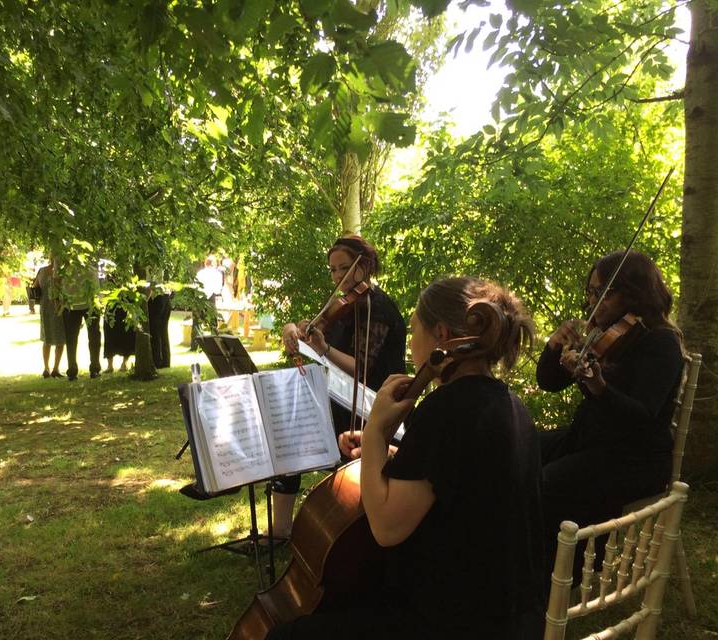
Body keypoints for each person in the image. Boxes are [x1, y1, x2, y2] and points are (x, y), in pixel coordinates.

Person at [267, 277, 543, 640]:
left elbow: (385, 528)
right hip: (511, 614)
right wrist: (390, 453)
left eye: (415, 331)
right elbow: (455, 476)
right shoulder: (510, 405)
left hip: (453, 621)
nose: (411, 342)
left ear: (440, 335)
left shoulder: (447, 408)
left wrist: (379, 432)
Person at [537, 251, 683, 578]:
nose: (593, 301)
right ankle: (517, 555)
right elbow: (547, 383)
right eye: (590, 291)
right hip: (591, 438)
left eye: (603, 292)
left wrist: (600, 388)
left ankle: (552, 575)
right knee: (520, 446)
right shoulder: (601, 333)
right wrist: (554, 347)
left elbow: (643, 416)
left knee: (548, 482)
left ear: (633, 292)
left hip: (636, 457)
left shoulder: (661, 343)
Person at [272, 235, 407, 537]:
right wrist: (293, 329)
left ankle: (332, 529)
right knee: (289, 429)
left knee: (296, 431)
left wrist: (326, 350)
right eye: (332, 270)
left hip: (375, 406)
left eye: (344, 268)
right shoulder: (344, 305)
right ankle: (280, 528)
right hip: (345, 397)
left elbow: (363, 369)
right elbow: (312, 334)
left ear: (366, 266)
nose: (337, 277)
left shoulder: (379, 309)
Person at [60, 259, 99, 381]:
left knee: (72, 340)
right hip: (89, 306)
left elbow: (62, 289)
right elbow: (96, 290)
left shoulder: (66, 270)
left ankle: (72, 371)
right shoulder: (91, 270)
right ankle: (94, 369)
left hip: (72, 307)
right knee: (93, 338)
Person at [36, 261, 65, 378]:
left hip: (45, 307)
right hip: (58, 307)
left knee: (46, 339)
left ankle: (46, 368)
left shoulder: (42, 271)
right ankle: (56, 368)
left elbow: (35, 287)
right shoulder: (62, 272)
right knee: (60, 339)